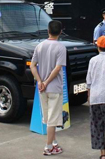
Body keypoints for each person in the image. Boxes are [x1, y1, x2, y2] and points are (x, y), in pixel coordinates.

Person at [30, 20, 67, 155]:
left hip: (42, 89)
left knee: (47, 118)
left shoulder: (40, 46)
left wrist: (40, 81)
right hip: (54, 88)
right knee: (53, 119)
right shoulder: (61, 47)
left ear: (48, 31)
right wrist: (46, 82)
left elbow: (32, 65)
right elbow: (58, 68)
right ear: (60, 32)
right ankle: (49, 146)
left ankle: (54, 142)